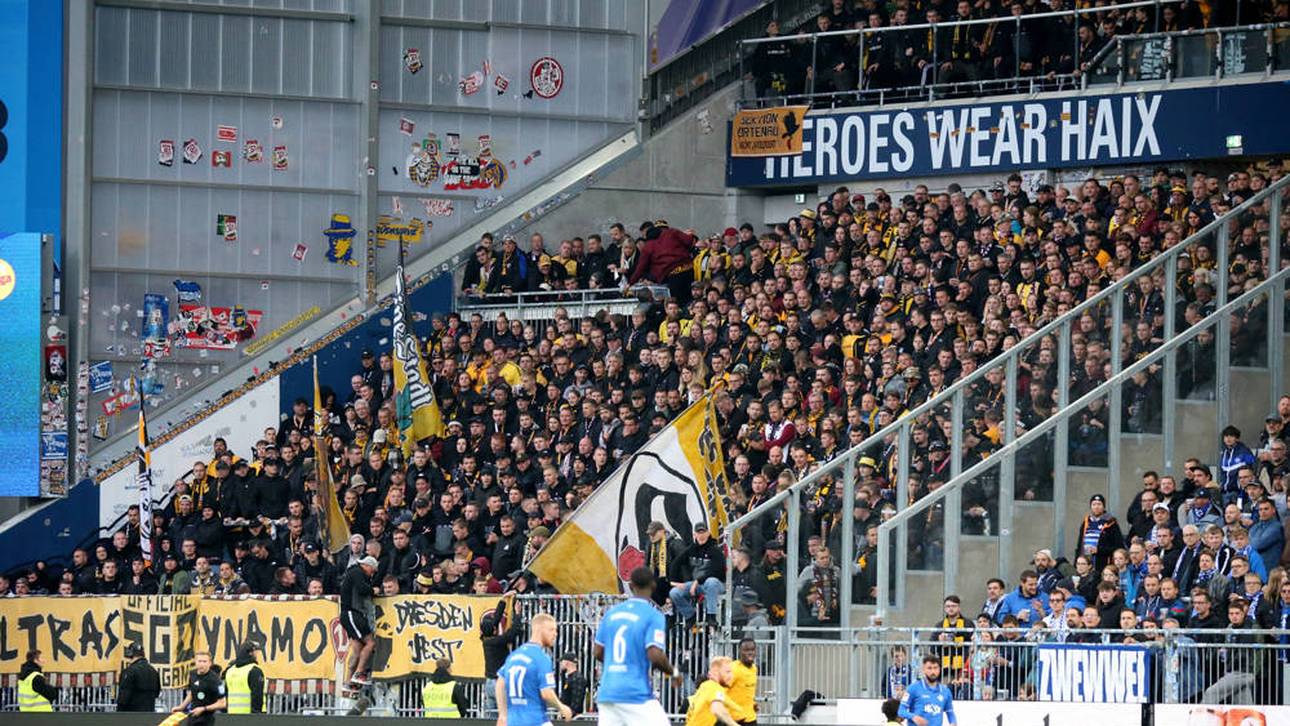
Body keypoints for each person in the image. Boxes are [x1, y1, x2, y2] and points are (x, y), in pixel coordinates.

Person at [595, 567, 683, 726]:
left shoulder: (611, 614)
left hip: (608, 691)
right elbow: (655, 655)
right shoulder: (653, 615)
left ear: (630, 586)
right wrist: (673, 672)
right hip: (634, 692)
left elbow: (598, 652)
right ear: (653, 586)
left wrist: (616, 663)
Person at [496, 613, 572, 726]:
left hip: (513, 722)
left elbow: (500, 683)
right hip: (535, 720)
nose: (555, 634)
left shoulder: (514, 656)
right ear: (539, 630)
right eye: (551, 630)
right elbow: (546, 693)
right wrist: (562, 707)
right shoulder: (541, 657)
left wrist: (503, 715)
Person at [341, 555, 379, 685]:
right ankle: (359, 673)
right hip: (352, 613)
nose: (372, 574)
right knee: (370, 643)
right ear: (367, 566)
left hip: (349, 615)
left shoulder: (353, 572)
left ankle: (347, 681)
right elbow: (362, 589)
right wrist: (373, 590)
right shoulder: (357, 572)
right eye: (372, 571)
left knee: (357, 650)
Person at [898, 655, 956, 726]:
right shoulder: (913, 688)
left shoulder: (946, 692)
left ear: (939, 669)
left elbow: (950, 713)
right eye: (929, 668)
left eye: (935, 668)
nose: (933, 671)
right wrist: (914, 717)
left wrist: (953, 723)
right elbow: (901, 711)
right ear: (923, 669)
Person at [173, 652, 226, 726]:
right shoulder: (192, 674)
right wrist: (181, 707)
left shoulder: (215, 680)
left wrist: (203, 709)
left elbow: (222, 703)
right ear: (195, 662)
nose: (202, 664)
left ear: (210, 663)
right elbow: (192, 692)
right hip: (193, 715)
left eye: (204, 661)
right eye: (199, 661)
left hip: (207, 718)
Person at [685, 656, 739, 726]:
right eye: (727, 672)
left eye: (731, 672)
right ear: (716, 673)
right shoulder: (714, 687)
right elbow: (717, 709)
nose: (731, 676)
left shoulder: (705, 687)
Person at [223, 641, 266, 714]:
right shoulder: (254, 670)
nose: (257, 654)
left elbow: (226, 694)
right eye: (256, 651)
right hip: (249, 716)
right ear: (250, 653)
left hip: (232, 714)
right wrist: (257, 715)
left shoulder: (230, 671)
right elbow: (257, 696)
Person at [117, 642, 161, 712]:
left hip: (131, 716)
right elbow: (156, 693)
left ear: (130, 655)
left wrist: (118, 713)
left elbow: (123, 698)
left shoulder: (129, 671)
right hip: (149, 714)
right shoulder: (154, 671)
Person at [728, 639, 758, 725]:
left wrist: (753, 703)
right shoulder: (733, 669)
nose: (750, 653)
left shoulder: (754, 668)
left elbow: (747, 691)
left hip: (751, 719)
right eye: (746, 650)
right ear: (740, 651)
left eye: (752, 650)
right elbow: (720, 692)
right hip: (735, 720)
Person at [558, 652, 589, 717]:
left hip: (572, 719)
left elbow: (576, 701)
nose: (560, 664)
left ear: (567, 663)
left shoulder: (577, 679)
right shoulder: (570, 678)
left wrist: (569, 713)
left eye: (561, 662)